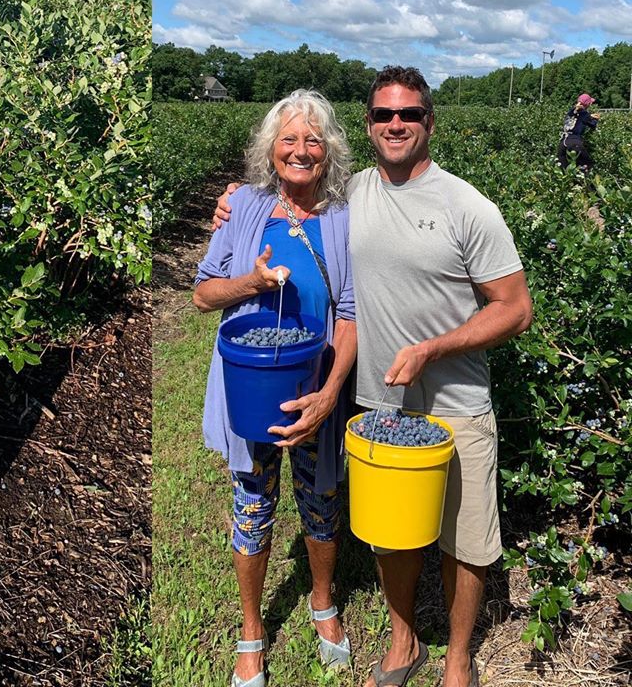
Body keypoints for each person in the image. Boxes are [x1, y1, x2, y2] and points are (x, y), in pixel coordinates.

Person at [214, 67, 533, 687]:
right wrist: (234, 199)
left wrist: (433, 349)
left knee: (462, 538)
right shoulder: (351, 193)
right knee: (392, 530)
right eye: (384, 115)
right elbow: (287, 191)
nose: (395, 125)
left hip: (456, 398)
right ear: (368, 126)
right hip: (379, 400)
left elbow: (515, 309)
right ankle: (404, 637)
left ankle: (460, 659)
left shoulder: (468, 206)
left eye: (408, 114)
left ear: (428, 123)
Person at [194, 89, 358, 687]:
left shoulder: (342, 218)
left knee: (321, 503)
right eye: (288, 139)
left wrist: (330, 392)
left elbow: (349, 311)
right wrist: (253, 281)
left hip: (316, 389)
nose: (300, 150)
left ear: (329, 152)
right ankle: (252, 632)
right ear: (271, 148)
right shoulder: (244, 209)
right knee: (252, 503)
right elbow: (203, 292)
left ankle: (322, 604)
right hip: (251, 388)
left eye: (313, 140)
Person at [557, 92, 601, 171]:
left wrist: (589, 116)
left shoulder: (570, 112)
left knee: (564, 170)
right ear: (588, 104)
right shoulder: (584, 114)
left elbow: (577, 117)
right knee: (587, 165)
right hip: (574, 143)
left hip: (563, 143)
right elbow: (592, 125)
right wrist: (595, 119)